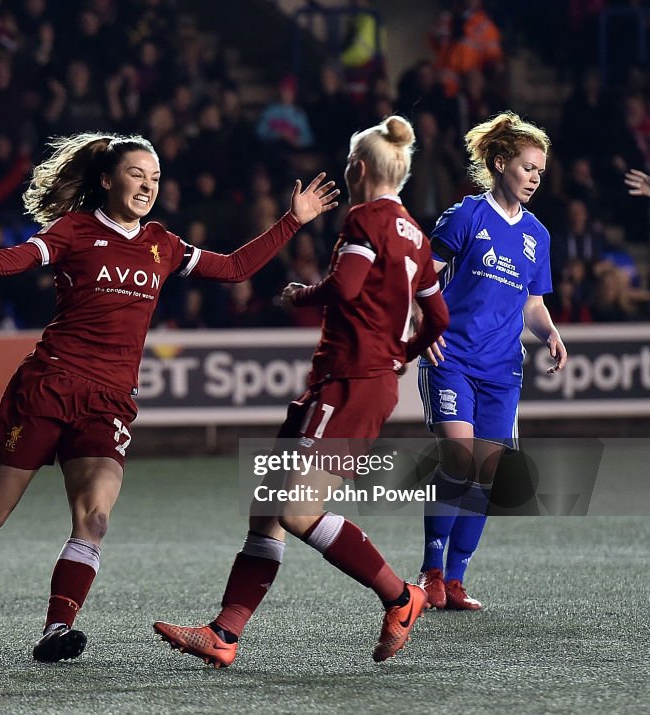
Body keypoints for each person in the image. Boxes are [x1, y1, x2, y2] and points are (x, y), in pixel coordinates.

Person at [0, 132, 340, 662]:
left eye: (155, 178)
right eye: (137, 174)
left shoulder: (163, 243)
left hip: (108, 402)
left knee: (96, 518)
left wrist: (293, 220)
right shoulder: (75, 230)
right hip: (48, 387)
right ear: (108, 179)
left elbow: (233, 269)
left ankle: (56, 630)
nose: (147, 186)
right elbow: (7, 262)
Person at [153, 115, 450, 667]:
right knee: (267, 507)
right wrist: (401, 355)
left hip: (349, 382)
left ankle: (399, 595)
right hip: (359, 379)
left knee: (295, 509)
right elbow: (438, 316)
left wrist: (299, 295)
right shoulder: (416, 235)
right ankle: (225, 634)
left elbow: (346, 286)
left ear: (357, 169)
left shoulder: (365, 222)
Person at [415, 112, 566, 611]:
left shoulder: (537, 237)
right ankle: (431, 571)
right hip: (452, 355)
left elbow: (533, 303)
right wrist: (423, 326)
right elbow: (424, 278)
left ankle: (455, 580)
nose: (534, 178)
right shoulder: (466, 216)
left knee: (485, 472)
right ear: (500, 163)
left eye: (540, 172)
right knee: (458, 456)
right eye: (527, 168)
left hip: (502, 369)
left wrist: (550, 334)